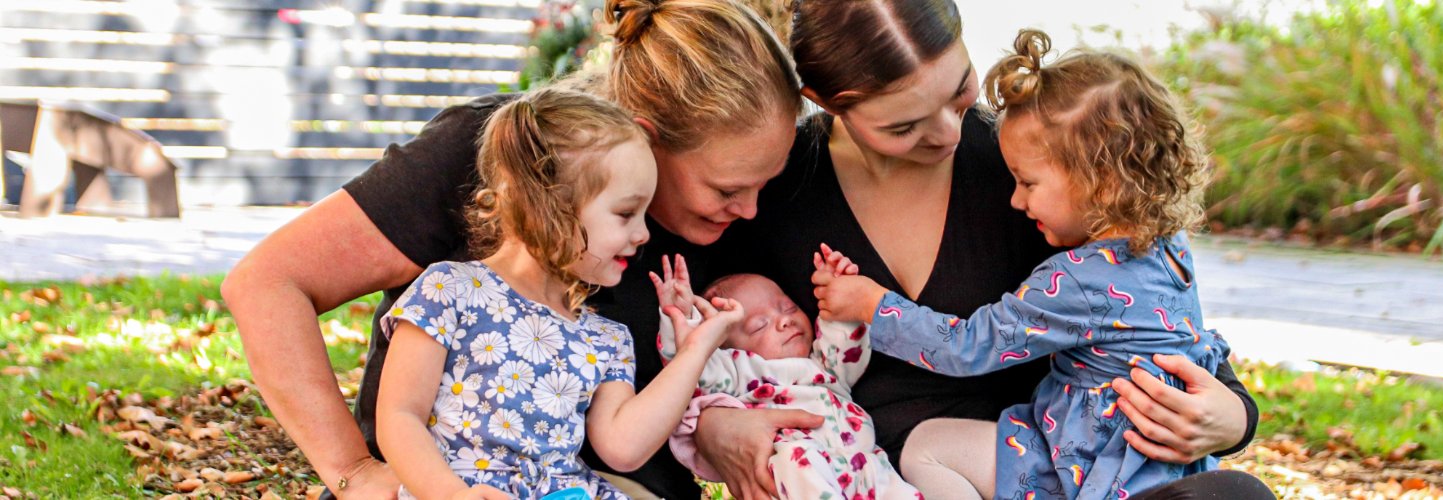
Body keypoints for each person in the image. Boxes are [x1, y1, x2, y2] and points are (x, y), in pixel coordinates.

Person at [219, 0, 804, 496]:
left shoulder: (614, 329)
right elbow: (268, 284)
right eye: (728, 189)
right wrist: (352, 472)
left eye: (765, 185)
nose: (751, 210)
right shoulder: (498, 157)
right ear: (649, 140)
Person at [693, 2, 1269, 499]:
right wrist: (710, 427)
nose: (948, 133)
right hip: (860, 474)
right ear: (823, 100)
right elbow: (650, 346)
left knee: (1235, 494)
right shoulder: (771, 187)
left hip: (1045, 465)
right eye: (904, 125)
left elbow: (1165, 333)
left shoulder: (1042, 163)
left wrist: (1232, 417)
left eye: (960, 88)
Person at [373, 89, 746, 499]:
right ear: (547, 205)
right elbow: (399, 414)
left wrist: (696, 349)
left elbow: (624, 448)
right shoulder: (449, 289)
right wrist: (448, 493)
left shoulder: (605, 338)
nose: (642, 235)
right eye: (625, 214)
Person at [651, 255, 920, 499]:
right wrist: (680, 318)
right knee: (794, 459)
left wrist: (837, 292)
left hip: (863, 465)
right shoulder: (739, 371)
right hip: (796, 467)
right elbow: (689, 367)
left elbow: (845, 343)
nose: (784, 321)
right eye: (760, 325)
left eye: (788, 308)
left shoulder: (824, 365)